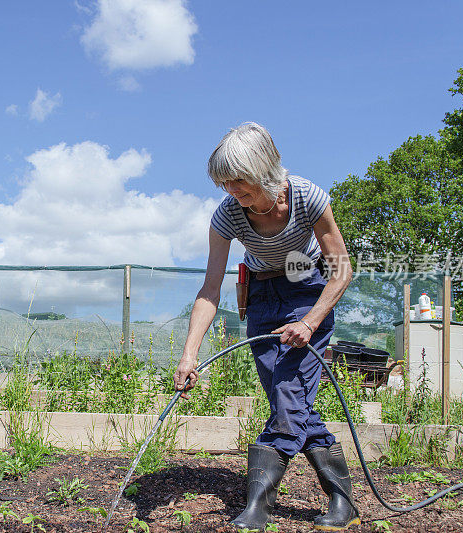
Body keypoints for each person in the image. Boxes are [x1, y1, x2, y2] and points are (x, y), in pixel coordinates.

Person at [173, 122, 359, 531]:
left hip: (308, 291)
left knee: (289, 392)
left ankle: (258, 504)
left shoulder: (308, 198)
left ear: (264, 171)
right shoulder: (227, 216)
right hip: (260, 299)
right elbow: (209, 289)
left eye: (238, 182)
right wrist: (189, 355)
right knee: (288, 399)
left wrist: (311, 322)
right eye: (224, 184)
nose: (231, 192)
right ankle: (343, 502)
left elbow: (341, 270)